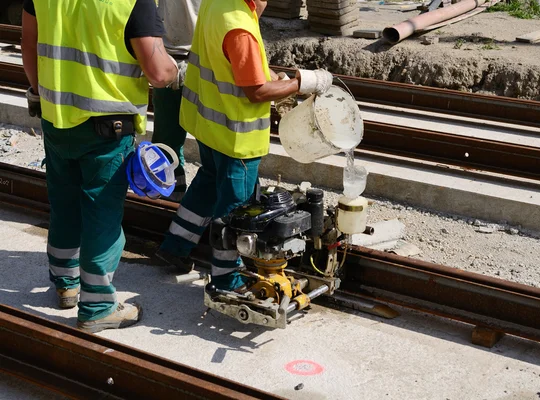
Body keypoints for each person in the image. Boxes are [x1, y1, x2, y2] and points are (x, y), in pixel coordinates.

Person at [21, 0, 184, 333]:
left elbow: (29, 45)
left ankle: (66, 283)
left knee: (64, 205)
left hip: (57, 120)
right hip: (107, 130)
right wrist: (178, 70)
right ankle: (97, 306)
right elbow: (158, 73)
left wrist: (40, 93)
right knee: (101, 216)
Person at [155, 0, 333, 292]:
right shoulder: (239, 27)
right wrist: (305, 82)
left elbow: (230, 65)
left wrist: (264, 73)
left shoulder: (217, 5)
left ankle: (175, 245)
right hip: (236, 136)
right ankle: (227, 278)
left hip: (209, 123)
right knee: (237, 210)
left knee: (208, 184)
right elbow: (257, 91)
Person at [152, 0, 201, 202]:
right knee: (167, 140)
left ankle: (171, 192)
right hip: (186, 56)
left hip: (178, 55)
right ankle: (172, 192)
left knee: (167, 137)